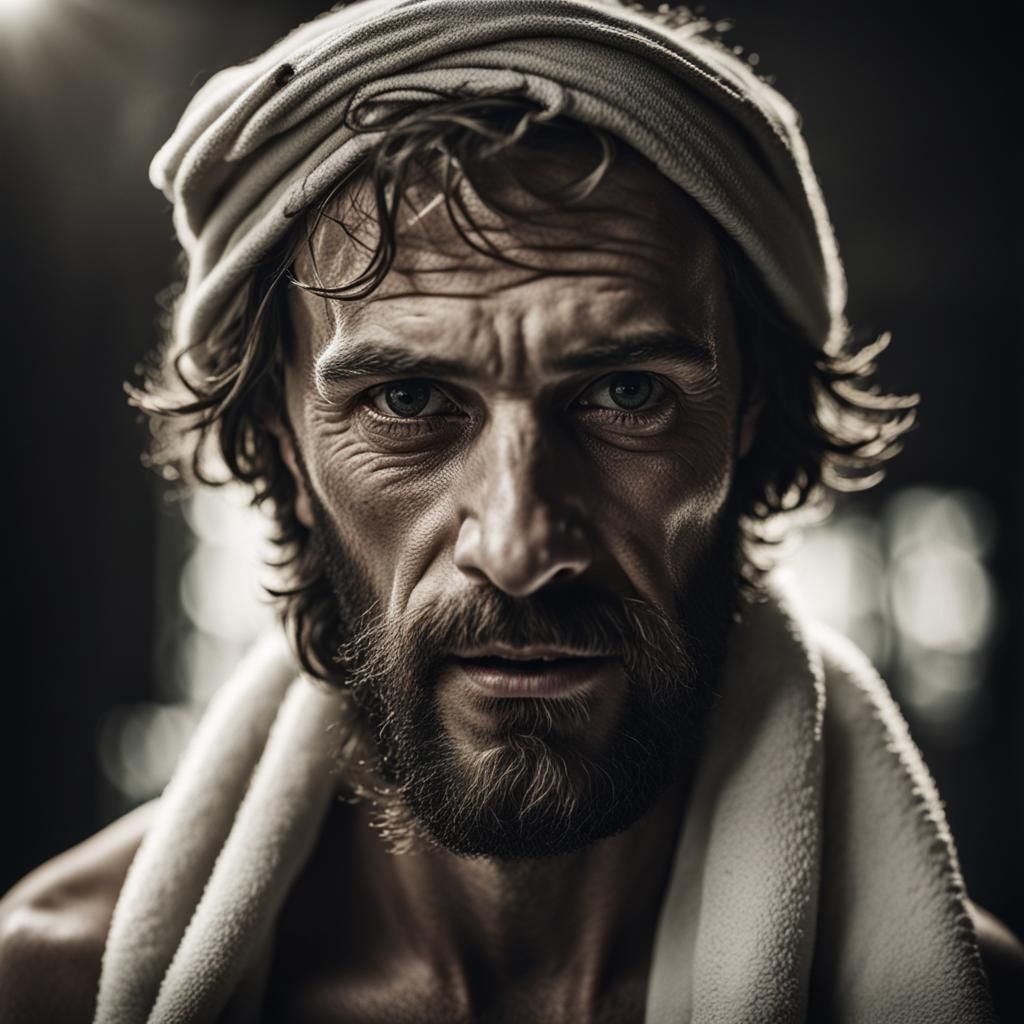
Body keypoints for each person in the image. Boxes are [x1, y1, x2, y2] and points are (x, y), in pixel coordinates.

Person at [1, 1, 1022, 1020]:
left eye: (626, 393)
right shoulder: (46, 987)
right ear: (281, 444)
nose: (521, 545)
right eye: (408, 400)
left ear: (750, 418)